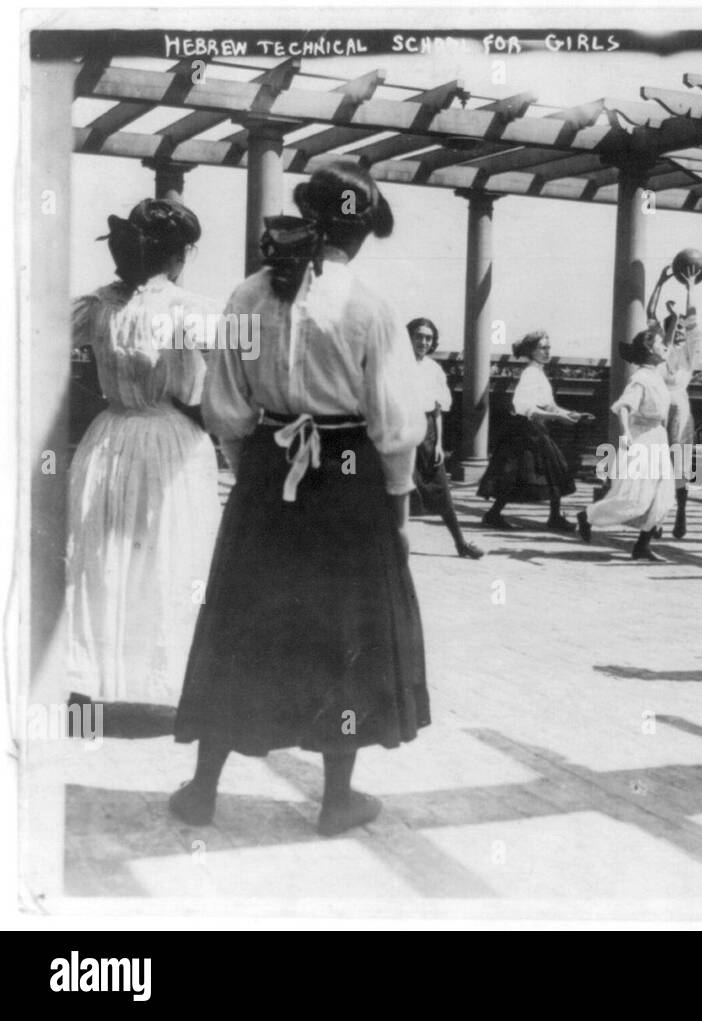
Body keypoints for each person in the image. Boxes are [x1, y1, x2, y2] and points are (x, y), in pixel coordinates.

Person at [170, 162, 429, 837]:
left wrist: (255, 471)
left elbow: (224, 411)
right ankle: (335, 800)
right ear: (360, 231)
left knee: (240, 626)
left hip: (264, 481)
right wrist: (396, 513)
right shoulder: (369, 307)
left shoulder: (245, 296)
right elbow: (395, 427)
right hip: (348, 486)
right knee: (344, 631)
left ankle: (202, 789)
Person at [65, 197, 220, 717]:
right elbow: (242, 370)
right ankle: (167, 685)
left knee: (103, 556)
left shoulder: (96, 305)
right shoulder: (188, 308)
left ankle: (91, 684)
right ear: (178, 255)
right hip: (171, 443)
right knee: (167, 555)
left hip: (109, 435)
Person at [576, 323, 677, 561]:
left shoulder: (656, 375)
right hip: (641, 439)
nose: (665, 348)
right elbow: (624, 408)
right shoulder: (640, 378)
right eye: (660, 345)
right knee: (636, 498)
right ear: (649, 351)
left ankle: (642, 545)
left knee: (663, 495)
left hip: (658, 437)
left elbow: (669, 344)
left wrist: (673, 320)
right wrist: (625, 435)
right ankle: (587, 516)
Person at [477, 331, 592, 531]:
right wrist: (558, 417)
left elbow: (549, 405)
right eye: (543, 348)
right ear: (531, 351)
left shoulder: (538, 372)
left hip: (537, 429)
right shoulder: (530, 373)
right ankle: (494, 514)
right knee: (518, 475)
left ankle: (554, 516)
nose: (547, 351)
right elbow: (524, 407)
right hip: (525, 431)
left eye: (549, 347)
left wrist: (573, 414)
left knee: (551, 470)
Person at [407, 317, 483, 559]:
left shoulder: (434, 370)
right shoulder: (397, 365)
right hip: (402, 431)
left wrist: (438, 444)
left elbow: (437, 410)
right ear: (409, 337)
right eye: (419, 336)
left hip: (428, 434)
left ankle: (460, 543)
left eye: (428, 338)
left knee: (441, 489)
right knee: (394, 491)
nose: (423, 341)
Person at [658, 267, 702, 539]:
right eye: (675, 330)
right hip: (658, 409)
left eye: (681, 331)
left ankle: (681, 513)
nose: (679, 334)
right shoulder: (660, 355)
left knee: (680, 464)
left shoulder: (688, 356)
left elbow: (694, 325)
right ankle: (656, 519)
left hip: (679, 410)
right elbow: (653, 318)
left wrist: (690, 290)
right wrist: (661, 284)